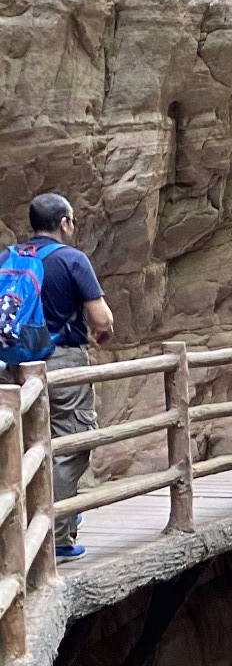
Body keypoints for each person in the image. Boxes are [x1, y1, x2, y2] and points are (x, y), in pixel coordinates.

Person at [23, 195, 114, 559]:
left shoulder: (8, 259)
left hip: (12, 366)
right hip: (61, 363)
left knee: (23, 448)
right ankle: (55, 539)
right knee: (70, 446)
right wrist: (102, 334)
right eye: (72, 221)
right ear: (63, 223)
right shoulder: (72, 260)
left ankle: (17, 538)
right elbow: (103, 319)